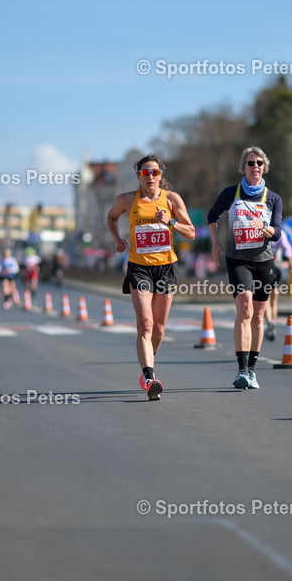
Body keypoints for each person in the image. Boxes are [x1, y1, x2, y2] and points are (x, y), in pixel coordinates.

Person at [107, 154, 195, 400]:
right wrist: (117, 239)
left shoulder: (172, 199)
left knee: (158, 329)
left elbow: (191, 233)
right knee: (145, 324)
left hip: (166, 267)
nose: (150, 177)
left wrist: (170, 222)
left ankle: (147, 363)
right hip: (139, 266)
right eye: (145, 173)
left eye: (154, 172)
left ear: (160, 175)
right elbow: (111, 217)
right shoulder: (126, 200)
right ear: (138, 176)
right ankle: (149, 377)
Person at [208, 146, 283, 389]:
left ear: (265, 167)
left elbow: (278, 234)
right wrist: (216, 243)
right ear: (243, 167)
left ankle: (252, 369)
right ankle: (241, 370)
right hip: (238, 259)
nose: (255, 167)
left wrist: (265, 227)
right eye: (250, 163)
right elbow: (212, 216)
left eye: (260, 163)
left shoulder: (273, 199)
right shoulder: (231, 193)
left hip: (264, 261)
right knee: (245, 309)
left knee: (259, 315)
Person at [265, 228, 292, 342]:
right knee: (274, 301)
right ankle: (273, 323)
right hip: (277, 269)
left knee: (266, 300)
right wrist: (291, 263)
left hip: (265, 268)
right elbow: (287, 249)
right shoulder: (280, 233)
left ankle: (269, 323)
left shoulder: (262, 230)